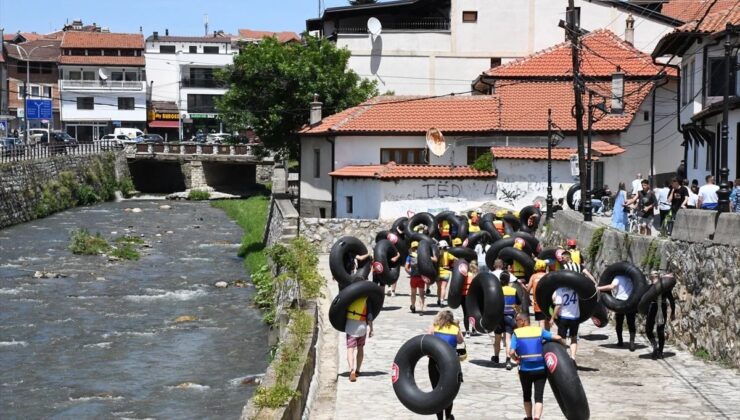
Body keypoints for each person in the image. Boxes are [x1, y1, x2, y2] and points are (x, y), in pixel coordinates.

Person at [510, 313, 566, 420]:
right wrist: (562, 347)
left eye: (517, 320)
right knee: (539, 396)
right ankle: (537, 418)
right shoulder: (539, 330)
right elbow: (557, 337)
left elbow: (511, 352)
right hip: (541, 369)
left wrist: (516, 359)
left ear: (522, 321)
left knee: (526, 395)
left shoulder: (516, 333)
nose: (515, 322)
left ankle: (529, 417)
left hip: (525, 370)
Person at [427, 310, 464, 420]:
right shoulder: (455, 329)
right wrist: (457, 327)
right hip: (451, 364)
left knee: (436, 391)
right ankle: (448, 416)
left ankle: (440, 418)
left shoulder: (434, 327)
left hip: (435, 362)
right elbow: (461, 341)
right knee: (449, 392)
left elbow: (427, 341)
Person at [597, 273, 637, 351]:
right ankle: (632, 343)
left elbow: (612, 287)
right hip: (631, 301)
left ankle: (620, 341)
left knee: (619, 322)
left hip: (620, 302)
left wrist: (599, 288)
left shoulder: (618, 277)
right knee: (631, 323)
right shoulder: (633, 277)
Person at [552, 264, 582, 363]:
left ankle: (564, 356)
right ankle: (573, 357)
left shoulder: (560, 290)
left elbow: (558, 305)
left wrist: (552, 318)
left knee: (562, 337)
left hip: (564, 317)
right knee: (573, 338)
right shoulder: (577, 288)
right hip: (575, 316)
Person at [492, 271, 520, 370]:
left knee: (497, 338)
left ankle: (496, 357)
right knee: (508, 340)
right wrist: (515, 314)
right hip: (509, 317)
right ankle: (508, 361)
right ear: (508, 280)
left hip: (498, 318)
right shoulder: (513, 290)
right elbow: (518, 304)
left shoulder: (497, 290)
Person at [645, 271, 676, 359]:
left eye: (655, 274)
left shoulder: (664, 288)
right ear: (651, 277)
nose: (654, 276)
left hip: (661, 307)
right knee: (648, 329)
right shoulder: (650, 287)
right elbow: (644, 299)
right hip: (653, 307)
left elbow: (671, 300)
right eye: (652, 275)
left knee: (660, 330)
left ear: (658, 277)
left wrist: (673, 312)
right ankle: (655, 346)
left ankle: (660, 351)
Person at [345, 294, 374, 382]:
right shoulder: (366, 299)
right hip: (362, 327)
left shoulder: (349, 296)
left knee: (350, 349)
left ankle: (351, 370)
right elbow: (369, 317)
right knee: (360, 348)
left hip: (350, 327)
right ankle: (357, 370)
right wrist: (371, 329)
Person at [526, 259, 550, 331]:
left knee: (541, 321)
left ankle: (541, 338)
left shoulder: (533, 276)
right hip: (548, 302)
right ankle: (547, 338)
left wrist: (528, 299)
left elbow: (528, 289)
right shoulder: (548, 275)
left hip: (537, 302)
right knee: (547, 321)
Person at [405, 241, 425, 314]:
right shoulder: (422, 255)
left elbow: (406, 267)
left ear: (412, 248)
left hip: (413, 277)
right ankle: (422, 309)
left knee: (413, 293)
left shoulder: (410, 256)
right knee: (421, 294)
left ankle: (413, 306)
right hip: (421, 277)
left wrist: (410, 273)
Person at [435, 240, 457, 306]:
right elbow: (456, 259)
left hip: (438, 272)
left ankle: (438, 299)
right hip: (446, 272)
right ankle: (442, 301)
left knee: (439, 287)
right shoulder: (447, 254)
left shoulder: (437, 254)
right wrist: (451, 266)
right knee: (443, 287)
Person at [461, 261, 477, 337]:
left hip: (463, 296)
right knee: (473, 313)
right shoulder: (475, 276)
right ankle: (474, 329)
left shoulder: (464, 275)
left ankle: (467, 332)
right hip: (472, 297)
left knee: (466, 314)